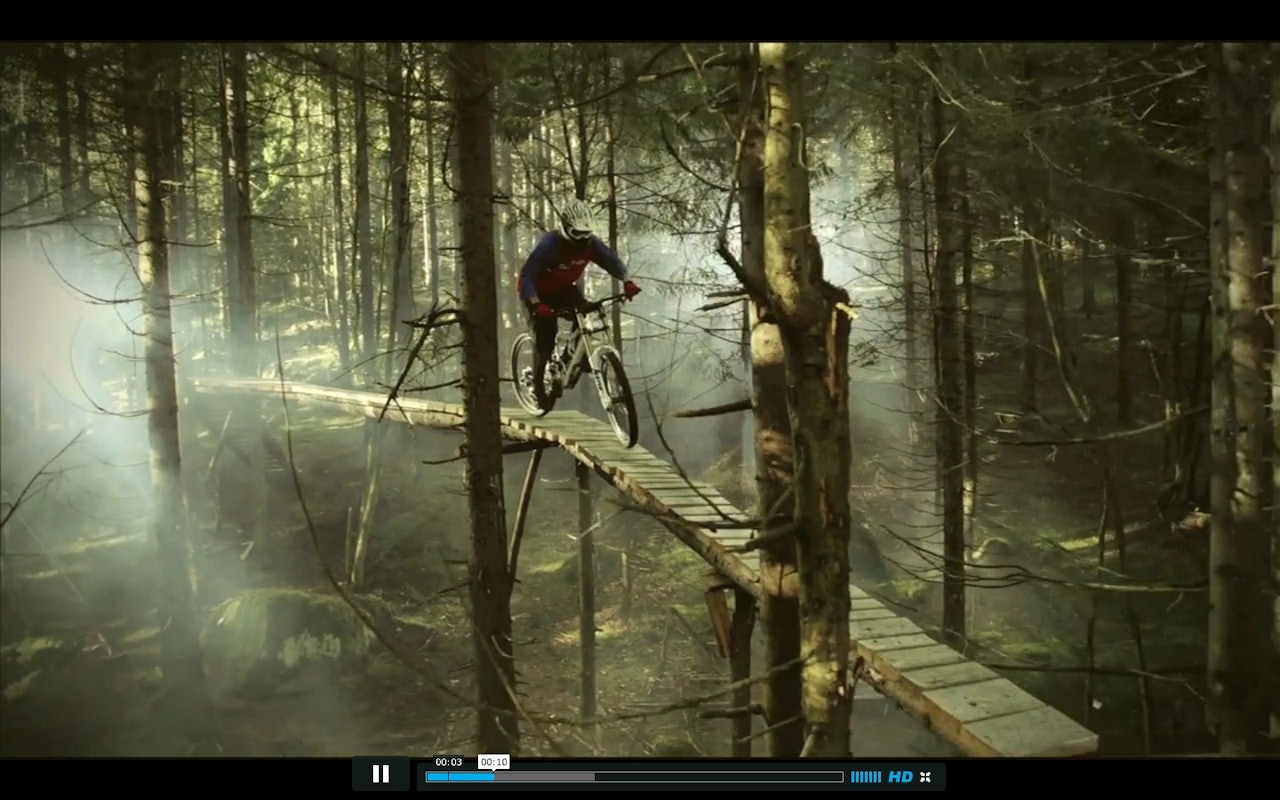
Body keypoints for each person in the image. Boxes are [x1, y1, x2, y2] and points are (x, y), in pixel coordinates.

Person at [517, 198, 641, 409]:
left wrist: (627, 281)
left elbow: (611, 260)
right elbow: (526, 277)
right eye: (577, 234)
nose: (582, 239)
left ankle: (571, 358)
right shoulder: (550, 245)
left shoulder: (591, 245)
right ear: (565, 228)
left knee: (586, 313)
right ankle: (538, 386)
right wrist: (537, 304)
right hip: (536, 293)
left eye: (586, 234)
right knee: (545, 342)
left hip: (563, 289)